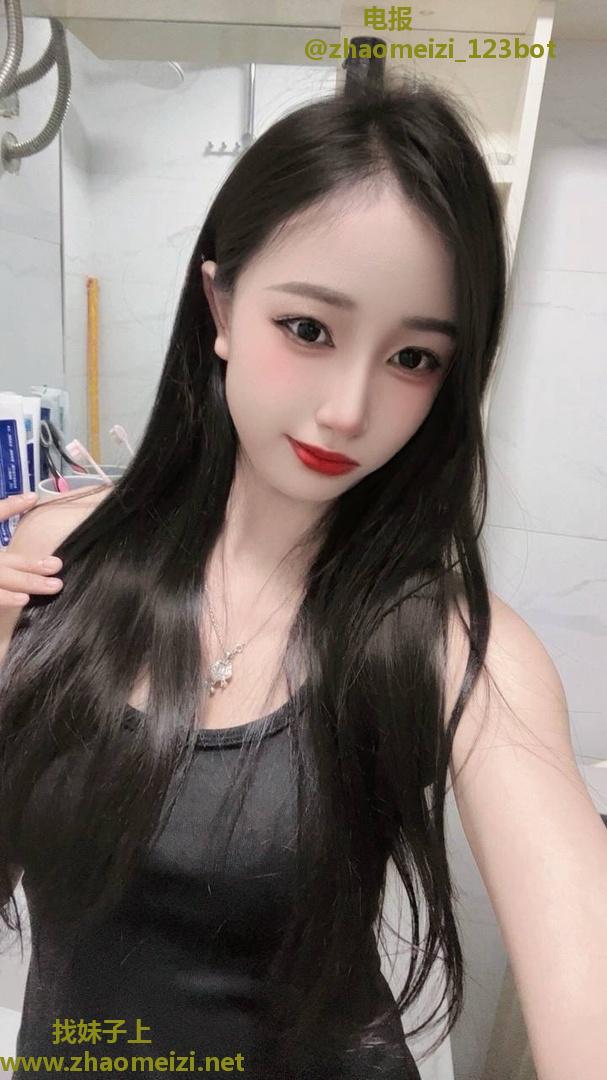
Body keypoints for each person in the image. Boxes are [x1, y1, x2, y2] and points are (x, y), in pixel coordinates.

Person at [1, 75, 602, 1080]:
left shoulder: (449, 643)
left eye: (413, 358)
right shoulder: (58, 556)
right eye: (310, 330)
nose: (347, 410)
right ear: (221, 305)